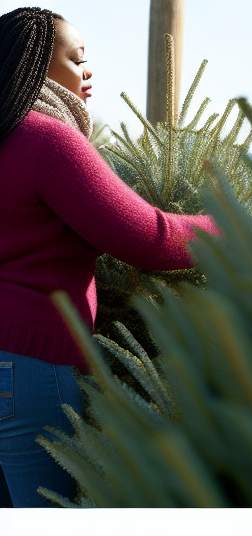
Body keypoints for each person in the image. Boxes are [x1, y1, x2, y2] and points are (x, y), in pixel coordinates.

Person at [0, 8, 220, 506]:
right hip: (27, 368)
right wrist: (236, 230)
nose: (87, 72)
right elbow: (148, 237)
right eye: (76, 59)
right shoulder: (44, 140)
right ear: (32, 64)